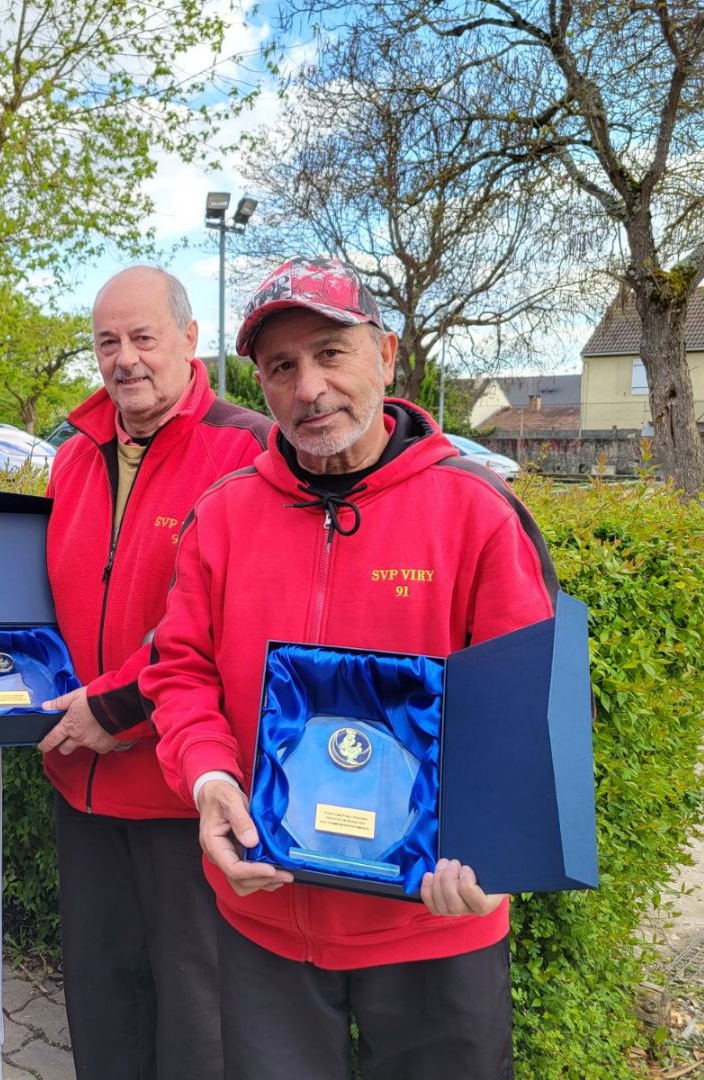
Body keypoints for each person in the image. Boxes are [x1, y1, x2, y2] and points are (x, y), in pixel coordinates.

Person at [141, 256, 560, 1079]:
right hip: (268, 917)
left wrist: (496, 853)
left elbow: (530, 710)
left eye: (331, 353)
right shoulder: (223, 516)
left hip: (435, 922)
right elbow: (179, 669)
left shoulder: (474, 511)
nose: (308, 388)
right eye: (282, 367)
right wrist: (209, 780)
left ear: (386, 354)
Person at [38, 265, 271, 1078]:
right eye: (108, 341)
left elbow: (217, 622)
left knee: (197, 1015)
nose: (125, 358)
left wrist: (115, 705)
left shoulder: (245, 449)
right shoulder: (72, 458)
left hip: (183, 791)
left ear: (188, 340)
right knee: (102, 1000)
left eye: (143, 338)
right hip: (83, 784)